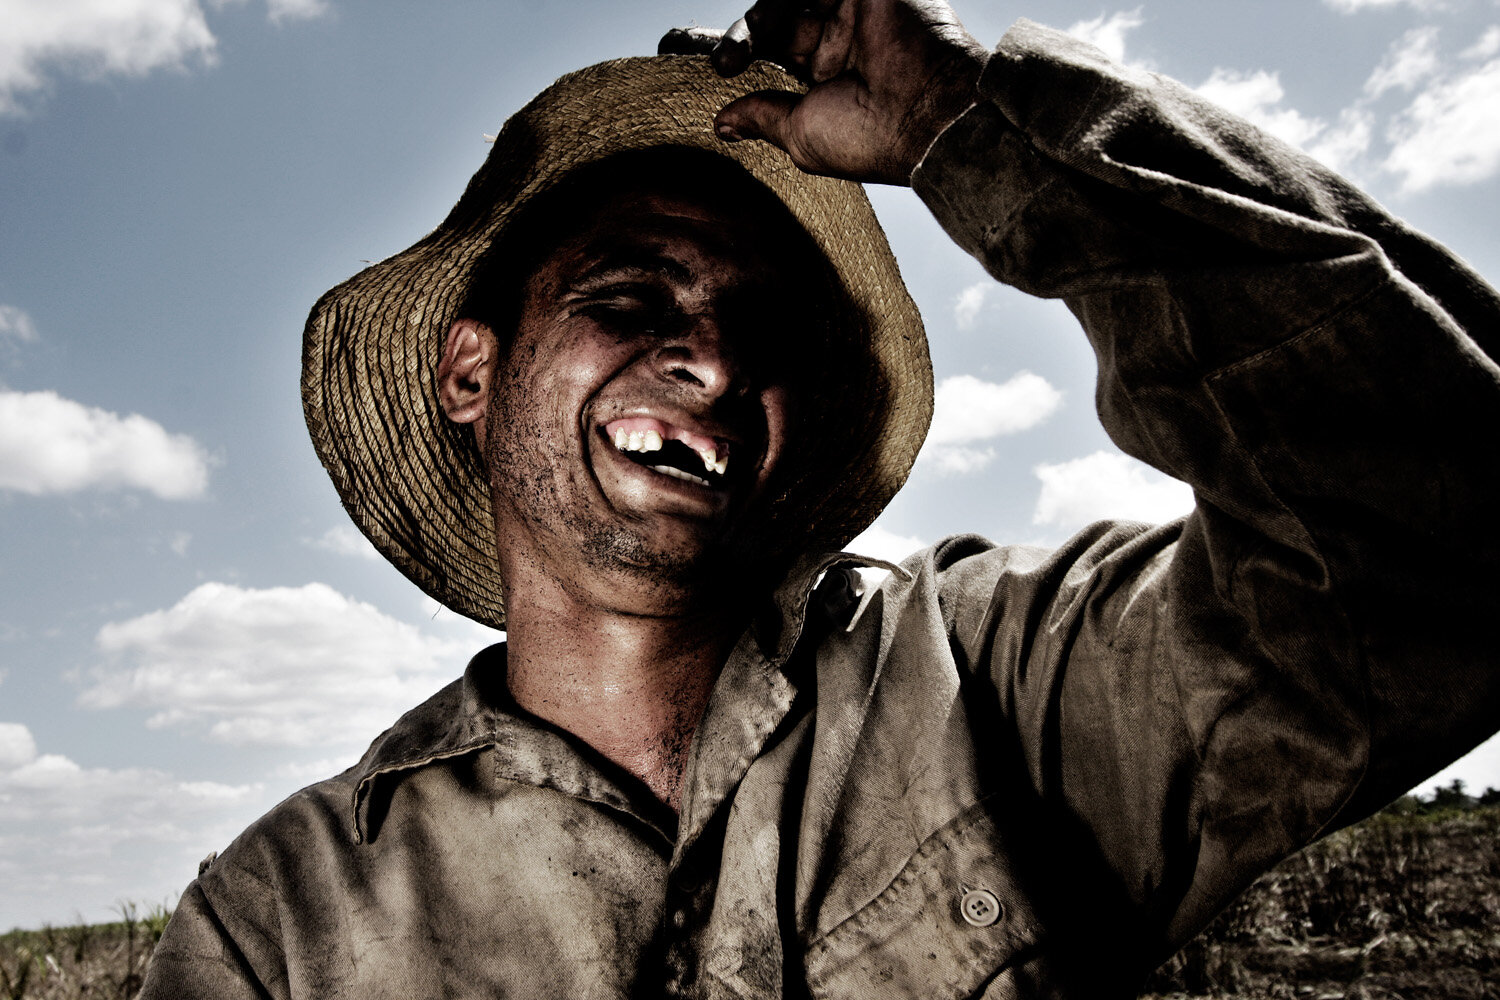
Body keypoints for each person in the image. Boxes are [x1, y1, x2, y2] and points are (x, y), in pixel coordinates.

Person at [140, 0, 1500, 997]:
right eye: (626, 299)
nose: (716, 360)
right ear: (470, 377)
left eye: (766, 333)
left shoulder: (989, 679)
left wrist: (979, 124)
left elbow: (1445, 544)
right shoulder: (287, 924)